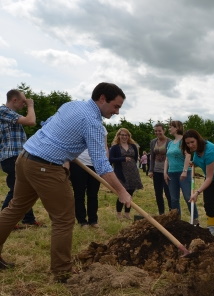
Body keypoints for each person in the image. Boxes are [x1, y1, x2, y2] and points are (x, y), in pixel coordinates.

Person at [0, 82, 133, 280]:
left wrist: (64, 150)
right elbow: (102, 164)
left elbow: (47, 124)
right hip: (45, 166)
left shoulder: (72, 105)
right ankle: (62, 271)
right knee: (63, 218)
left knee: (15, 208)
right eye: (116, 106)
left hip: (25, 157)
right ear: (103, 98)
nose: (117, 112)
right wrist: (122, 192)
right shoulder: (93, 123)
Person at [0, 89, 43, 228]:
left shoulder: (12, 115)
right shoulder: (3, 111)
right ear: (14, 100)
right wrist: (31, 106)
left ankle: (28, 219)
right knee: (17, 190)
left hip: (17, 157)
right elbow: (31, 121)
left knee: (24, 188)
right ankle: (3, 220)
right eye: (23, 102)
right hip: (11, 157)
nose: (25, 105)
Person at [184, 129, 214, 245]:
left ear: (198, 139)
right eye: (188, 143)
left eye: (192, 142)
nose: (190, 145)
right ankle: (212, 231)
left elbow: (209, 178)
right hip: (210, 178)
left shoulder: (211, 150)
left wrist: (197, 192)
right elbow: (198, 161)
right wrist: (193, 163)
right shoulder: (196, 150)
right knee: (208, 205)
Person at [69, 126, 108, 228]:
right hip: (78, 163)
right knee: (79, 193)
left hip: (95, 164)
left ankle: (93, 220)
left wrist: (105, 164)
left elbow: (105, 147)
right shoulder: (78, 125)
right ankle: (82, 220)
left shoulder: (102, 129)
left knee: (93, 194)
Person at [164, 120, 199, 223]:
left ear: (177, 128)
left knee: (188, 196)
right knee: (174, 198)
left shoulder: (183, 141)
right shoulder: (170, 143)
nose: (169, 129)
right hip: (171, 173)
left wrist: (184, 171)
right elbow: (167, 158)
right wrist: (165, 172)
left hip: (184, 172)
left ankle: (195, 219)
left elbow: (188, 155)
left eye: (171, 127)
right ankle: (176, 220)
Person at [109, 128, 143, 220]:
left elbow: (135, 158)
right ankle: (119, 213)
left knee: (130, 193)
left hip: (132, 172)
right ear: (118, 136)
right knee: (122, 192)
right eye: (122, 135)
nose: (124, 137)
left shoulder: (133, 146)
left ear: (128, 136)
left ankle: (127, 213)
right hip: (121, 173)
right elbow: (111, 159)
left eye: (126, 135)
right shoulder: (115, 147)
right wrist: (123, 159)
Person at [148, 123, 172, 215]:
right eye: (156, 131)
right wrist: (151, 169)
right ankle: (161, 213)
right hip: (156, 170)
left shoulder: (170, 142)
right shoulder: (153, 142)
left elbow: (171, 157)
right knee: (158, 193)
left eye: (159, 131)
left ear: (164, 131)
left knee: (168, 193)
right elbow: (152, 157)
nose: (157, 132)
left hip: (167, 171)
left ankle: (171, 212)